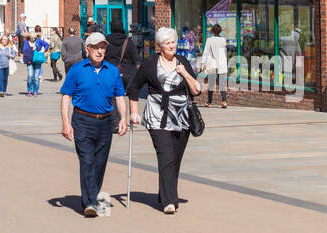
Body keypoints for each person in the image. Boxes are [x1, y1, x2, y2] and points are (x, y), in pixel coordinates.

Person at [127, 27, 202, 214]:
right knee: (166, 156)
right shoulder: (150, 63)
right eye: (167, 43)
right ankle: (169, 201)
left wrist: (184, 73)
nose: (172, 46)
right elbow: (134, 87)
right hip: (157, 117)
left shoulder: (183, 62)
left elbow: (196, 90)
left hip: (181, 118)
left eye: (173, 42)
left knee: (175, 159)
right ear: (159, 46)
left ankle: (164, 193)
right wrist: (134, 112)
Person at [59, 32, 128, 217]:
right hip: (82, 120)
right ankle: (89, 202)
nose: (99, 51)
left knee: (100, 163)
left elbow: (120, 96)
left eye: (102, 48)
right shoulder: (77, 69)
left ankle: (91, 196)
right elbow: (66, 96)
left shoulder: (112, 70)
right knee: (87, 161)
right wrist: (66, 123)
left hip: (105, 122)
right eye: (96, 48)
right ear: (87, 49)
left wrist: (123, 119)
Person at [200, 24, 230, 108]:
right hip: (222, 63)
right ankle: (224, 101)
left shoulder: (209, 40)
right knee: (222, 84)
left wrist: (203, 64)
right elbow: (224, 52)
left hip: (213, 63)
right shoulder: (223, 40)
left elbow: (206, 52)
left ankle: (209, 102)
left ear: (212, 31)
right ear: (220, 31)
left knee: (211, 83)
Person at [24, 26, 50, 96]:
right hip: (29, 61)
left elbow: (46, 44)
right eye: (32, 38)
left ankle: (35, 91)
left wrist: (43, 50)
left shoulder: (38, 41)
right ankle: (29, 90)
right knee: (30, 76)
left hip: (37, 61)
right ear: (29, 37)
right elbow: (25, 51)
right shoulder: (26, 42)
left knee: (36, 77)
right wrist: (31, 50)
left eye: (34, 38)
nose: (33, 39)